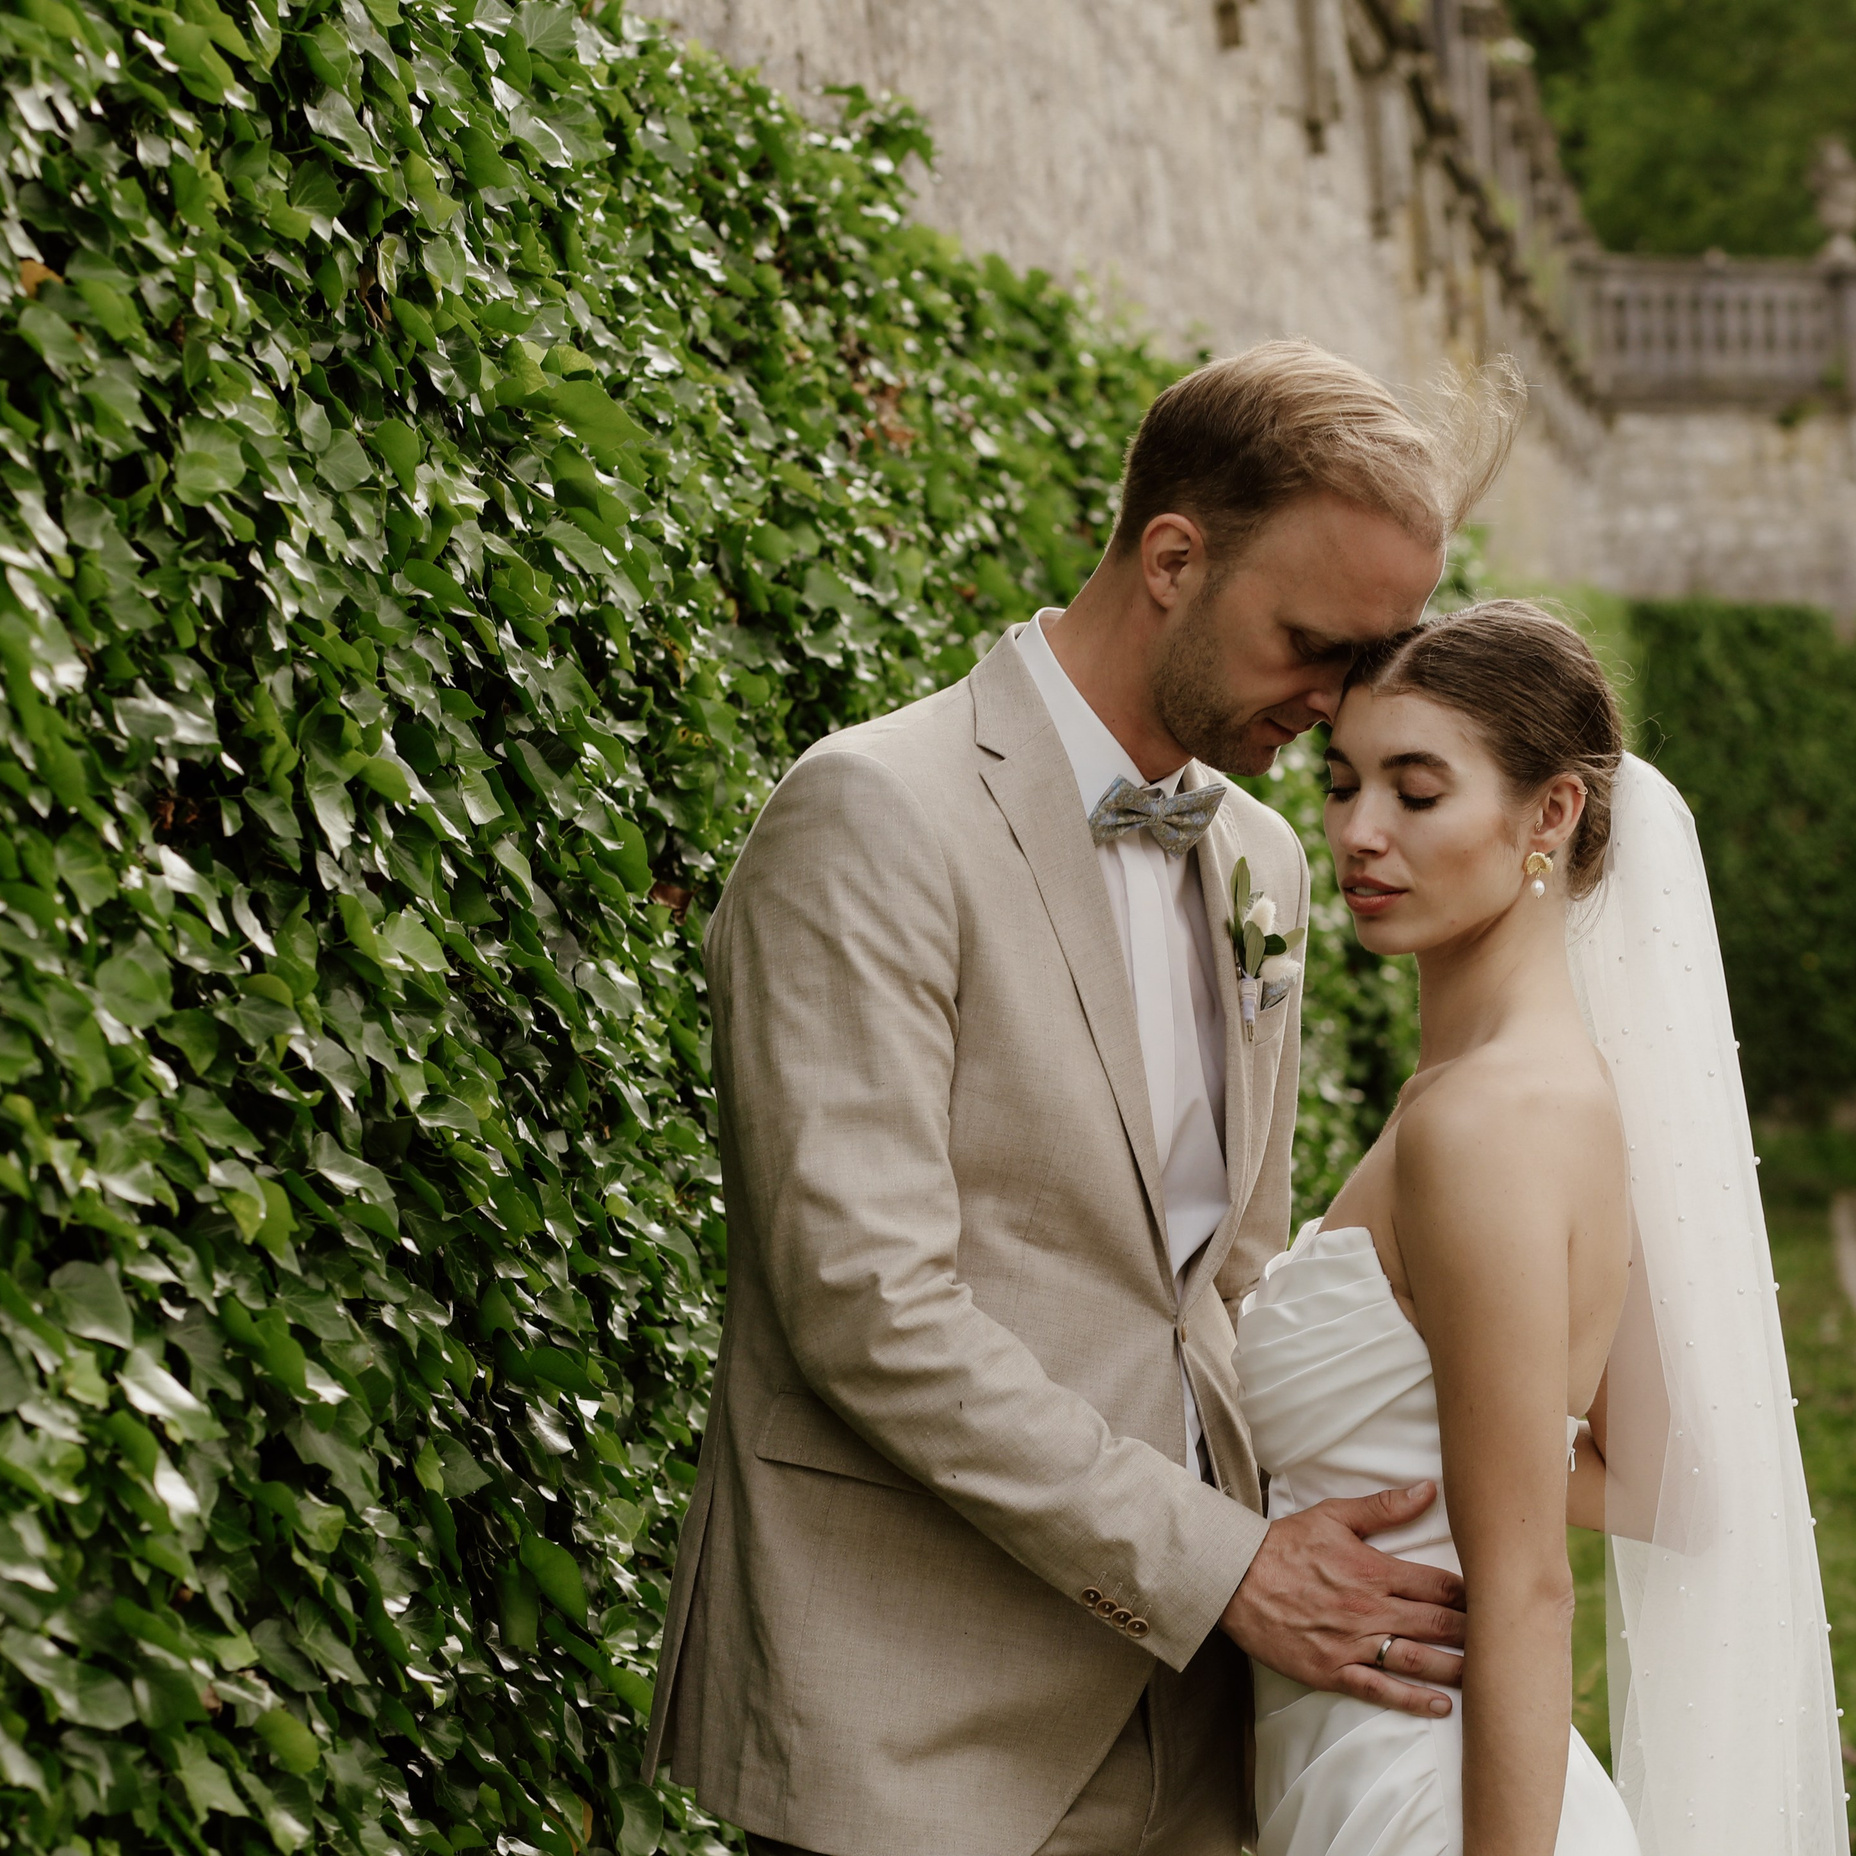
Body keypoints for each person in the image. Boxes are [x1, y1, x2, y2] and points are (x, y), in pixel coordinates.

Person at [642, 339, 1520, 1854]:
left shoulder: (1263, 861)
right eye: (1315, 641)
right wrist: (1224, 1568)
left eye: (1372, 660)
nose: (1340, 703)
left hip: (1203, 1725)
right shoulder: (873, 817)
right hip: (916, 1719)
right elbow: (865, 1305)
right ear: (1173, 556)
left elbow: (1226, 1277)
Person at [1236, 601, 1847, 1855]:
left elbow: (1519, 1582)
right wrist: (1437, 1475)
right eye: (1341, 780)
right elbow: (1660, 1473)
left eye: (1415, 791)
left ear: (1549, 814)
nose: (1355, 831)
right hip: (1359, 1753)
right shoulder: (1545, 1086)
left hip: (1425, 1792)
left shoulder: (1487, 1121)